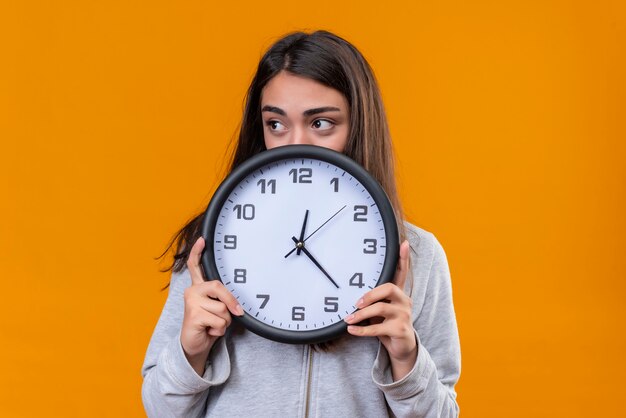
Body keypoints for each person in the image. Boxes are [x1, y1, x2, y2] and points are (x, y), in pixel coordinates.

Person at [141, 30, 460, 418]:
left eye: (321, 123)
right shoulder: (211, 244)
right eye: (276, 124)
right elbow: (161, 411)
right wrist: (191, 352)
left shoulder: (420, 256)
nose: (296, 143)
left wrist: (406, 357)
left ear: (358, 126)